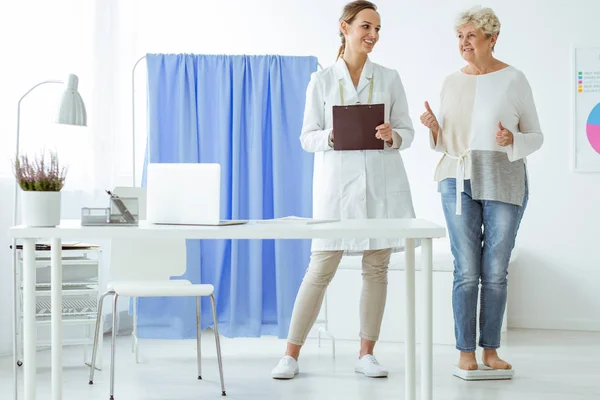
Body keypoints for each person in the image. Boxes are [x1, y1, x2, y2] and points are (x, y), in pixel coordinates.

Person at [270, 0, 416, 380]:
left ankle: (366, 353)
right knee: (320, 268)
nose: (373, 35)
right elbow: (306, 137)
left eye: (377, 29)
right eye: (366, 27)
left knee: (377, 268)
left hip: (381, 186)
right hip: (336, 189)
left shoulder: (389, 77)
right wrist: (334, 136)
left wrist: (392, 135)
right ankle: (290, 354)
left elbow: (408, 132)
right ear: (344, 28)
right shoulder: (321, 80)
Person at [420, 6, 543, 371]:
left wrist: (511, 139)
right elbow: (449, 143)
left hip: (504, 179)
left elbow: (536, 136)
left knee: (495, 271)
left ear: (492, 38)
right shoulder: (450, 81)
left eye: (471, 36)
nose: (464, 43)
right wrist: (433, 129)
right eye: (460, 37)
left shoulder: (514, 79)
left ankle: (490, 349)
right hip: (456, 178)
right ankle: (465, 351)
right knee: (466, 270)